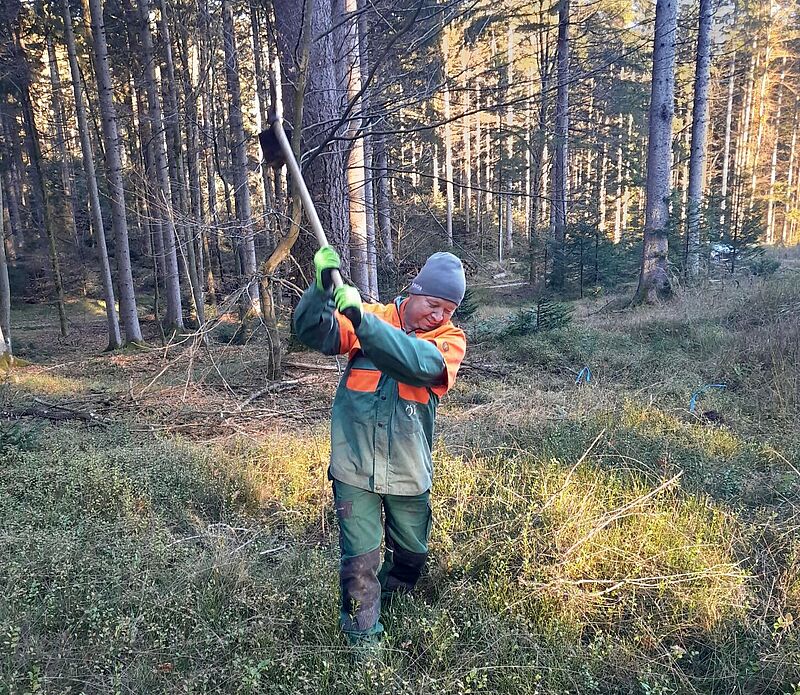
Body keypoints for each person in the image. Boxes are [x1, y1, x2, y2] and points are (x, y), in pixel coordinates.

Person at [293, 247, 467, 647]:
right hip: (354, 466)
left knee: (411, 554)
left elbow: (419, 364)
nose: (439, 316)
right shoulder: (368, 315)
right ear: (414, 291)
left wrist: (362, 322)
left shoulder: (449, 339)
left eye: (449, 310)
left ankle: (395, 597)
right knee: (360, 562)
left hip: (409, 470)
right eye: (434, 305)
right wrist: (320, 291)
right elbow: (313, 331)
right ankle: (363, 640)